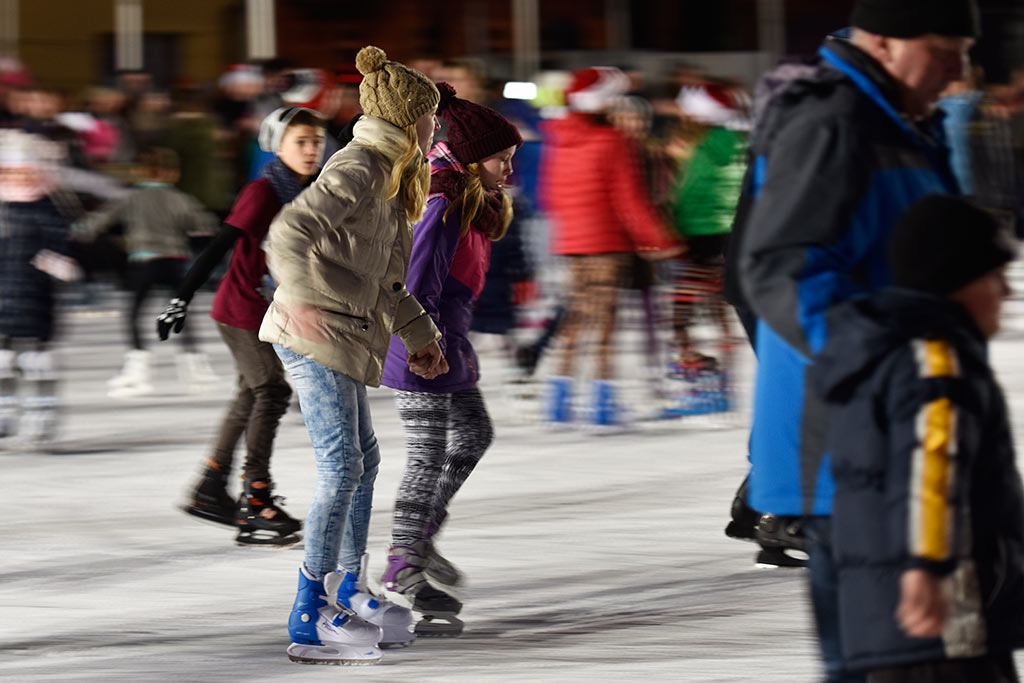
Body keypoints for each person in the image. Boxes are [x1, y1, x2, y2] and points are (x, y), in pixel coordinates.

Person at [727, 1, 979, 679]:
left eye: (965, 52)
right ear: (884, 41)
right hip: (854, 441)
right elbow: (780, 270)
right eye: (944, 49)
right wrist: (894, 365)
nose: (959, 71)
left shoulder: (907, 123)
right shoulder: (835, 121)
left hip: (905, 436)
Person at [259, 46, 446, 664]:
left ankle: (347, 588)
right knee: (342, 464)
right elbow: (290, 231)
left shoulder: (391, 176)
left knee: (363, 458)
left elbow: (386, 284)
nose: (436, 127)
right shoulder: (362, 165)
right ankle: (310, 611)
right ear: (407, 117)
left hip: (343, 331)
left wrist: (421, 338)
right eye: (431, 116)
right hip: (312, 330)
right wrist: (304, 297)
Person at [817, 195, 1024, 683]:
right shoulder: (935, 362)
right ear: (958, 282)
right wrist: (925, 567)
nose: (1007, 292)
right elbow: (932, 466)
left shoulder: (882, 356)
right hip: (944, 610)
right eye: (995, 276)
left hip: (888, 623)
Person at [378, 82, 522, 635]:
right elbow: (415, 285)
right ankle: (403, 565)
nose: (508, 169)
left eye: (511, 158)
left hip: (446, 342)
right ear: (469, 158)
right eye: (501, 159)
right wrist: (422, 346)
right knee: (428, 453)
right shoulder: (441, 203)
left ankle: (419, 538)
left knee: (474, 435)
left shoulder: (475, 203)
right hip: (421, 344)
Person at [156, 106, 326, 545]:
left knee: (250, 393)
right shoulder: (264, 191)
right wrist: (181, 297)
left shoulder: (312, 189)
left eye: (316, 142)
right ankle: (256, 499)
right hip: (243, 308)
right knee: (270, 390)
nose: (310, 150)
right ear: (277, 145)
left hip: (269, 306)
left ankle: (210, 487)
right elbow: (220, 245)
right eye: (300, 143)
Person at [538, 66, 680, 430]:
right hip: (605, 243)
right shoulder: (613, 141)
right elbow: (630, 199)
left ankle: (558, 398)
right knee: (603, 322)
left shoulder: (556, 138)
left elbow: (548, 195)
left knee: (576, 316)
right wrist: (661, 239)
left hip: (571, 242)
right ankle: (601, 401)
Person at [76, 146, 218, 398]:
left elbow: (99, 221)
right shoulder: (180, 198)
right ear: (172, 173)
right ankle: (194, 367)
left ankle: (138, 368)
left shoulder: (131, 198)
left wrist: (82, 227)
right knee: (179, 312)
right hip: (174, 261)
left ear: (140, 171)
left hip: (144, 262)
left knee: (133, 314)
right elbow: (203, 224)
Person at [0, 130, 79, 449]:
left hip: (36, 292)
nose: (18, 177)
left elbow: (62, 242)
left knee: (37, 359)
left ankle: (42, 413)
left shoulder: (47, 207)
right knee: (3, 359)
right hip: (4, 292)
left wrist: (58, 262)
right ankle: (5, 412)